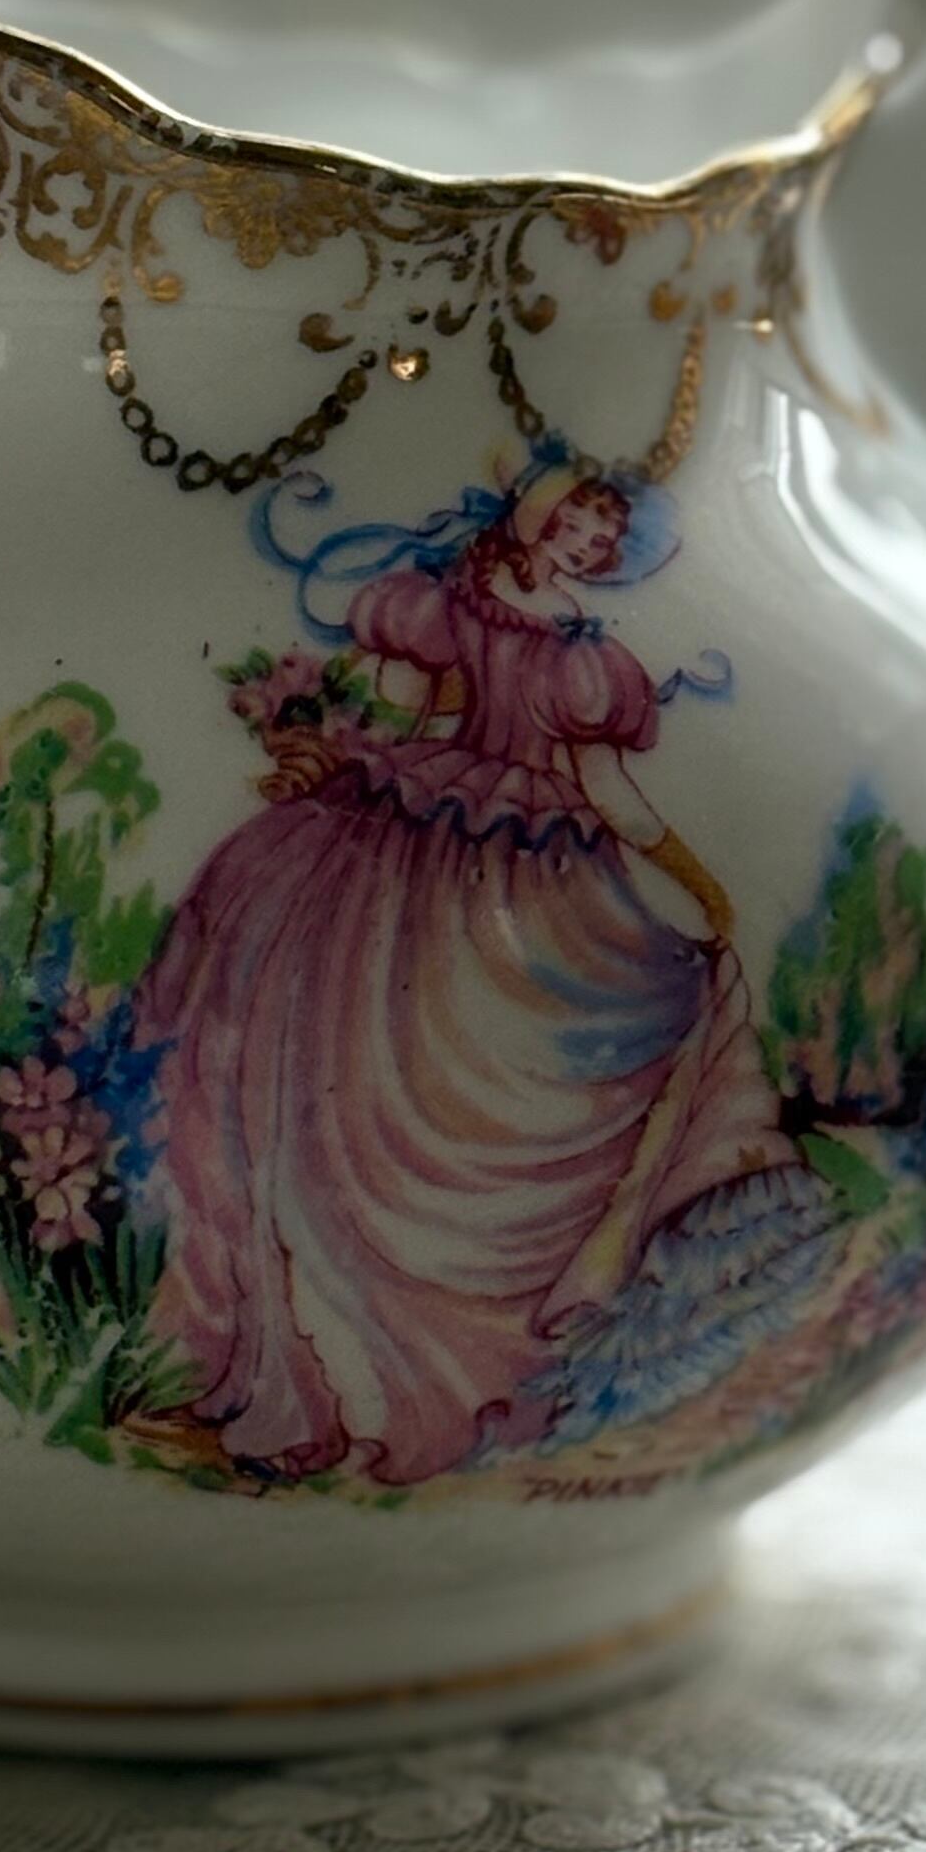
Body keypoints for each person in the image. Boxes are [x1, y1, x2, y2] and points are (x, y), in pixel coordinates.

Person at [130, 456, 793, 1485]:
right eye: (575, 523)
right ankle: (298, 1355)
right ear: (535, 518)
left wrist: (695, 879)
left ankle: (467, 1345)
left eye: (602, 539)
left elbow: (608, 790)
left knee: (494, 1078)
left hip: (534, 878)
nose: (586, 545)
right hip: (413, 856)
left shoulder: (589, 655)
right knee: (338, 1072)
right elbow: (403, 714)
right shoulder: (452, 605)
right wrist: (326, 759)